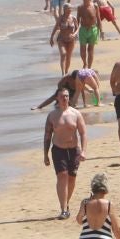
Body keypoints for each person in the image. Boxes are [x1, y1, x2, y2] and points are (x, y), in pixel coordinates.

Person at [43, 87, 87, 218]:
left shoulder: (76, 113)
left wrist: (83, 151)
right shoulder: (52, 115)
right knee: (62, 176)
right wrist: (45, 155)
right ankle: (63, 209)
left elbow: (83, 133)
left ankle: (66, 203)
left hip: (73, 149)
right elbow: (47, 136)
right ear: (57, 98)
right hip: (58, 149)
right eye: (62, 96)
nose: (65, 98)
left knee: (72, 177)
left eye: (67, 96)